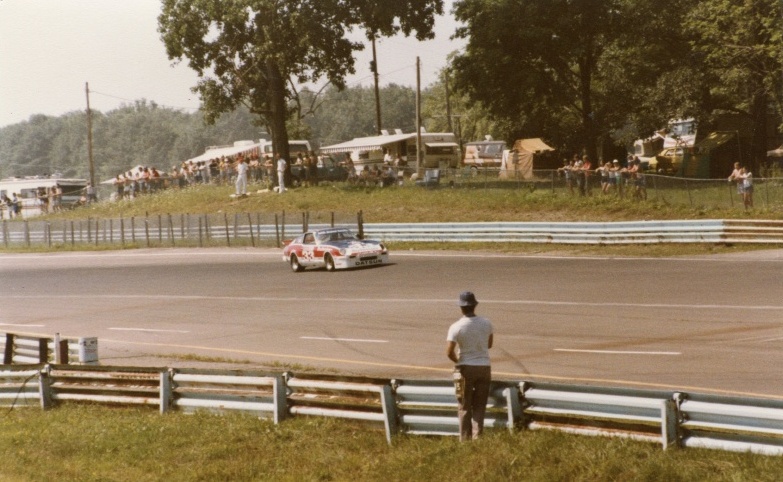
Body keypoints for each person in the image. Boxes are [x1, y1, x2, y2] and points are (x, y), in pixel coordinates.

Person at [446, 291, 494, 442]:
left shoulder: (456, 326)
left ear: (461, 308)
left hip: (465, 367)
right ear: (474, 306)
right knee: (480, 405)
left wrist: (458, 361)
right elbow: (489, 344)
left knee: (464, 406)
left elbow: (449, 352)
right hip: (484, 367)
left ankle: (465, 440)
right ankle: (477, 437)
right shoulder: (486, 323)